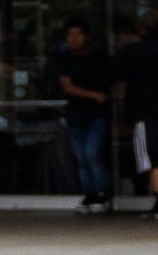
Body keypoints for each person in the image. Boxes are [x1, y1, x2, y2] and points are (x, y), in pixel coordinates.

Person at [51, 18, 116, 213]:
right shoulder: (64, 59)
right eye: (69, 35)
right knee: (81, 157)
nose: (73, 39)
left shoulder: (100, 57)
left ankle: (102, 193)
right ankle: (90, 194)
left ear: (86, 36)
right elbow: (66, 86)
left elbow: (113, 82)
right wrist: (93, 95)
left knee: (92, 153)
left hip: (96, 115)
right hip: (75, 115)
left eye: (78, 34)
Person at [115, 14, 158, 216]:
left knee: (152, 158)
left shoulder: (133, 52)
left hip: (147, 113)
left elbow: (115, 77)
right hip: (147, 112)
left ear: (141, 30)